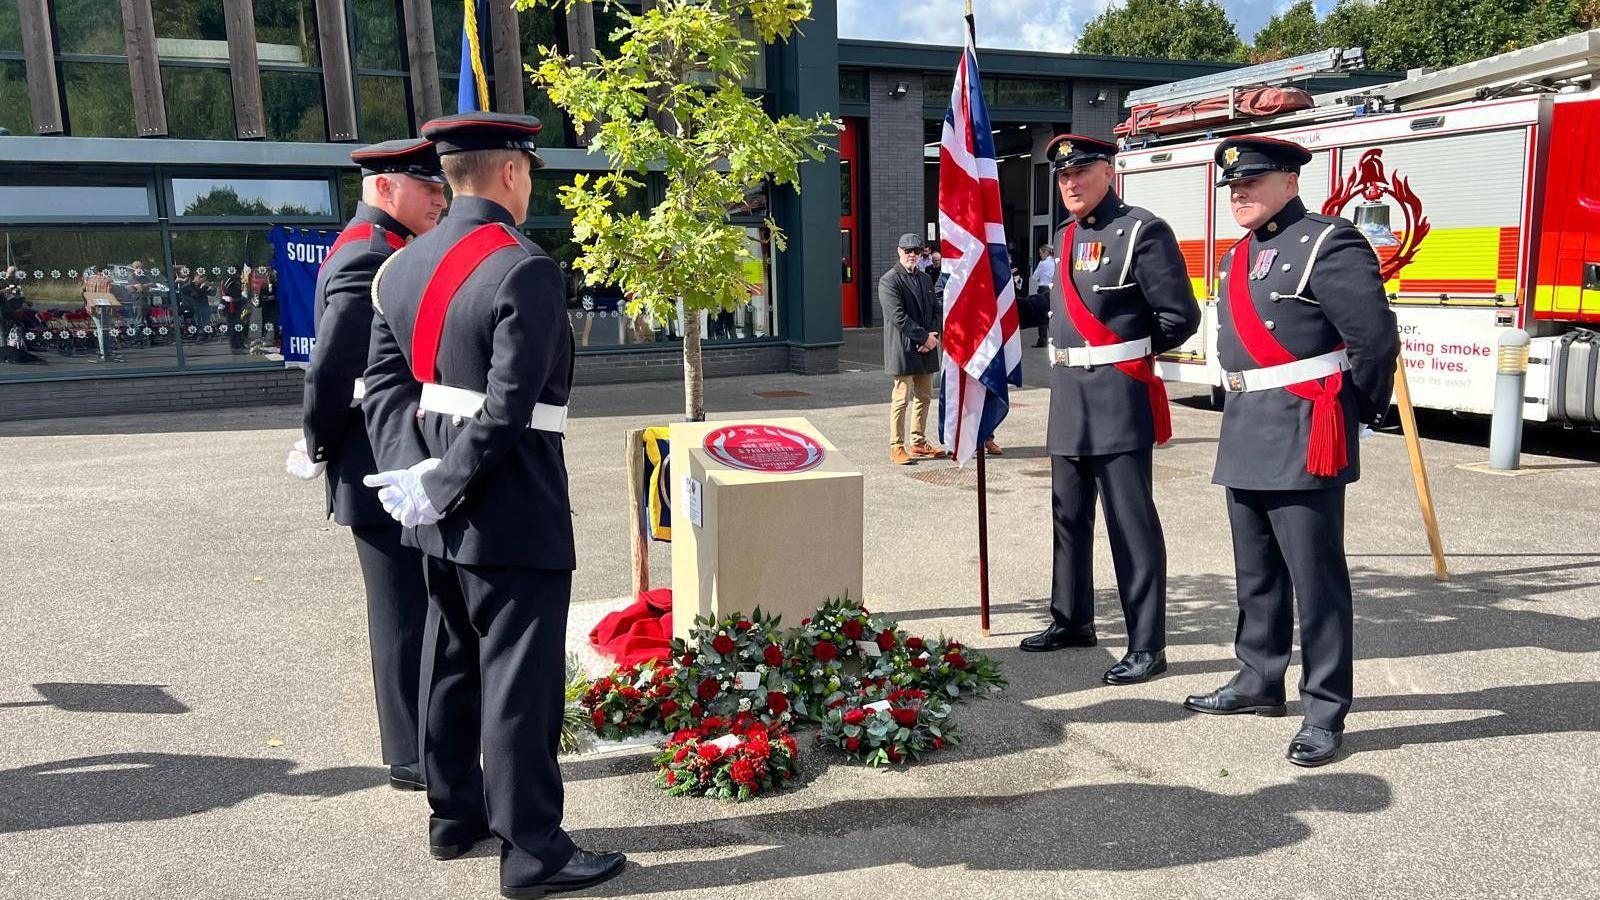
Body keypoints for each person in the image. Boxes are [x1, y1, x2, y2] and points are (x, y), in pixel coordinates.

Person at [360, 111, 626, 899]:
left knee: (449, 663)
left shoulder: (402, 267)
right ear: (511, 170)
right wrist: (442, 481)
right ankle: (534, 851)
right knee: (519, 682)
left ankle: (455, 818)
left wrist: (418, 481)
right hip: (512, 500)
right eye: (532, 169)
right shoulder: (524, 267)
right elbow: (509, 410)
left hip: (435, 509)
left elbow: (383, 388)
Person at [1183, 136, 1398, 767]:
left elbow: (1373, 339)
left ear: (1288, 181)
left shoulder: (1329, 243)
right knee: (1255, 573)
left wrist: (1350, 414)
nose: (1239, 194)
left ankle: (1325, 707)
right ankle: (1257, 679)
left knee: (1316, 579)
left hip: (1306, 427)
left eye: (1252, 181)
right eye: (1233, 186)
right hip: (1247, 423)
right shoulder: (1238, 254)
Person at [285, 137, 448, 794]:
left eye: (441, 187)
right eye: (427, 186)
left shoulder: (379, 247)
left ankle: (418, 743)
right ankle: (411, 754)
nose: (441, 198)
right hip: (376, 459)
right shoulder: (370, 256)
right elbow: (330, 369)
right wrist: (317, 440)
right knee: (403, 611)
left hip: (383, 455)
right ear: (384, 188)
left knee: (411, 605)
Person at [1019, 134, 1200, 688]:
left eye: (1080, 173)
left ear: (1108, 171)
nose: (1070, 183)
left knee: (1131, 524)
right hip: (1070, 395)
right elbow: (1057, 309)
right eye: (1063, 177)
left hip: (1119, 397)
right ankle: (1071, 620)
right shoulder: (1067, 237)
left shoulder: (1144, 231)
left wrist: (1124, 354)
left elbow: (1179, 316)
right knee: (1067, 518)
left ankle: (1147, 644)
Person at [878, 232, 949, 465]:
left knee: (925, 396)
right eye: (907, 251)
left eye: (916, 251)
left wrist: (934, 335)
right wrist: (923, 339)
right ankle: (896, 446)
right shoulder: (889, 280)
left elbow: (936, 309)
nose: (912, 255)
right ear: (899, 252)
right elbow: (897, 316)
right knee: (901, 398)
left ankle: (918, 442)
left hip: (926, 346)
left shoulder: (926, 279)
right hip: (904, 347)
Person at [1029, 245, 1055, 348]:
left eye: (1040, 253)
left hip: (1043, 288)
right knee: (1051, 314)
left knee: (1042, 315)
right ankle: (1054, 339)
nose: (1040, 255)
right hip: (1052, 288)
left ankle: (1042, 340)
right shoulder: (1054, 262)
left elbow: (1035, 277)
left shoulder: (1042, 263)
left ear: (1045, 253)